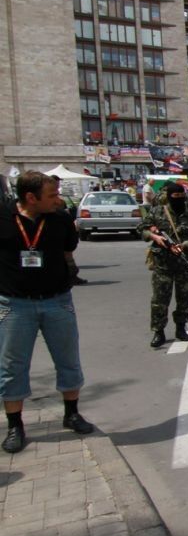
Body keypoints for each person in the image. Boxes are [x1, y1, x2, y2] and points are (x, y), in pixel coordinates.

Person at [0, 172, 93, 453]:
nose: (58, 200)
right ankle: (15, 426)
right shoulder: (3, 217)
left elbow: (69, 248)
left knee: (68, 360)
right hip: (15, 304)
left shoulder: (61, 219)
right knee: (12, 367)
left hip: (57, 301)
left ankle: (72, 413)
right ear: (31, 197)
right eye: (52, 195)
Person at [138, 183, 188, 347]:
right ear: (169, 197)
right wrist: (156, 238)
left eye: (182, 197)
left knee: (184, 299)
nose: (179, 201)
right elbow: (141, 229)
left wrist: (187, 244)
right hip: (163, 264)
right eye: (176, 198)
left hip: (184, 263)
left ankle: (181, 329)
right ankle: (158, 332)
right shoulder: (158, 211)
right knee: (160, 300)